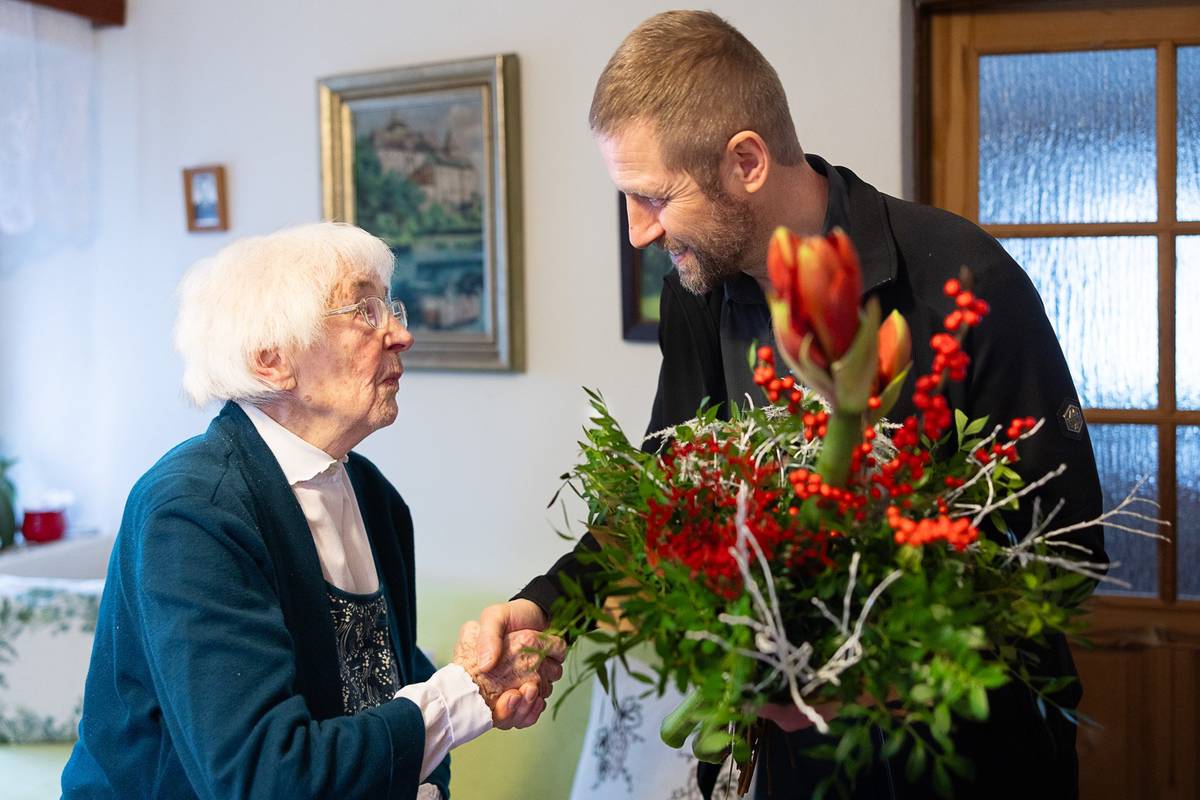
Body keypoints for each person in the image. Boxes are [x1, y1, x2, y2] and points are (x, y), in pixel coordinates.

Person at [476, 10, 1107, 800]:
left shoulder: (962, 279)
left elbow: (1065, 551)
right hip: (786, 767)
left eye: (652, 197)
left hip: (967, 761)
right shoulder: (698, 298)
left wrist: (889, 672)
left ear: (746, 160)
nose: (637, 232)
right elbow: (658, 494)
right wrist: (542, 609)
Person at [60, 222, 565, 800]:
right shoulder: (191, 513)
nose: (401, 334)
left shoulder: (372, 495)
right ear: (271, 359)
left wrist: (487, 677)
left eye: (390, 307)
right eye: (365, 311)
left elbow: (368, 677)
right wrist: (461, 695)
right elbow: (262, 778)